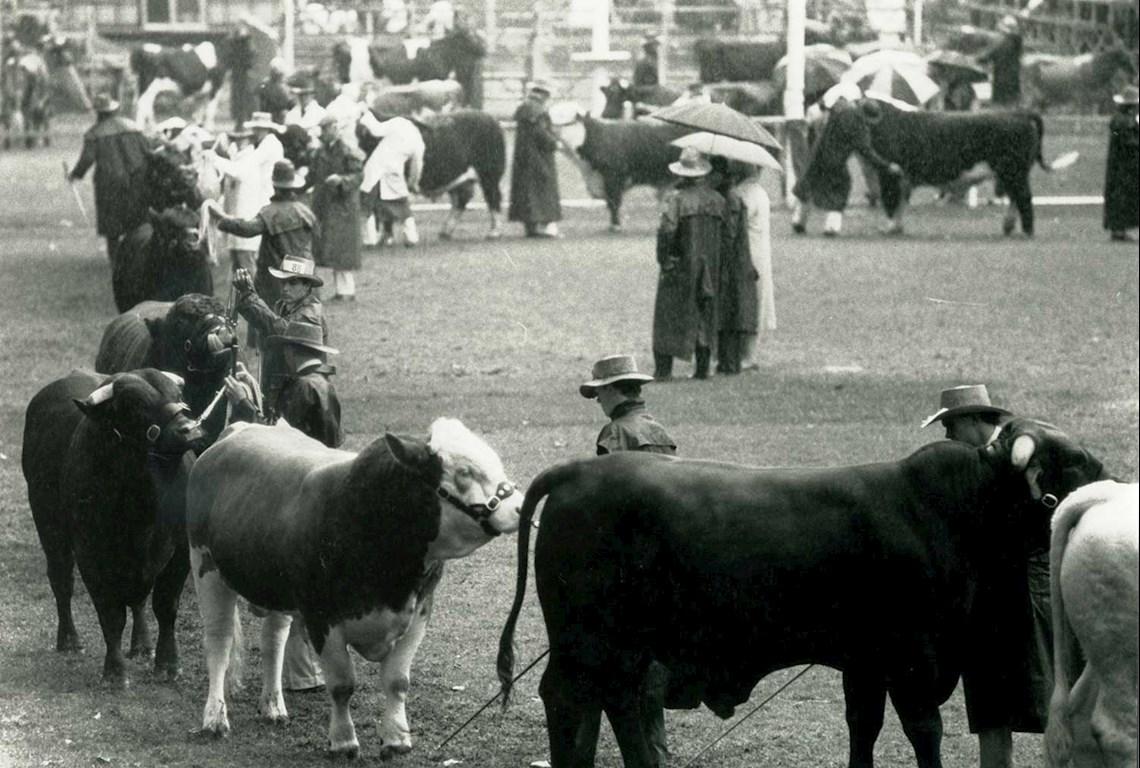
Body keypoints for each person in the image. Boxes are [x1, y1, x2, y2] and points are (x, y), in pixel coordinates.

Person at [921, 384, 1053, 768]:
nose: (947, 437)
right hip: (983, 601)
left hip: (1026, 592)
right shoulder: (971, 462)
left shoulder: (1025, 453)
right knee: (991, 706)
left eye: (951, 426)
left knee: (1047, 691)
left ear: (975, 420)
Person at [223, 319, 343, 693]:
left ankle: (299, 675)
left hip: (296, 485)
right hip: (323, 481)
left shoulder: (301, 389)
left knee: (290, 589)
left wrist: (244, 405)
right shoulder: (324, 387)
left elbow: (279, 439)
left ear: (293, 351)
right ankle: (306, 672)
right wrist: (256, 392)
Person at [577, 353, 675, 765]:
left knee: (596, 673)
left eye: (600, 393)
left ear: (616, 391)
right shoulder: (660, 432)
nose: (598, 400)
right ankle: (658, 756)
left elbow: (605, 509)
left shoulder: (615, 434)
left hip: (622, 571)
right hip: (662, 565)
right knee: (650, 678)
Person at [211, 159, 319, 329]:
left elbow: (247, 229)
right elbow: (316, 238)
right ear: (293, 186)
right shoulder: (305, 211)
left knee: (268, 318)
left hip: (276, 276)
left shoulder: (269, 212)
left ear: (274, 185)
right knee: (304, 317)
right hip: (304, 273)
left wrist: (220, 219)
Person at [653, 147, 730, 381]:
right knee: (705, 313)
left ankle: (664, 369)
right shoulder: (718, 200)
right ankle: (702, 368)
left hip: (682, 264)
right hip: (711, 265)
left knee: (668, 314)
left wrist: (665, 260)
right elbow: (727, 235)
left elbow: (666, 232)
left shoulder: (676, 201)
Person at [230, 253, 329, 419]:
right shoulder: (284, 305)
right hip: (282, 384)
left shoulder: (310, 314)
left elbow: (280, 330)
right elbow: (270, 325)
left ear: (307, 287)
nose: (285, 287)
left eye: (293, 282)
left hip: (303, 392)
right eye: (283, 281)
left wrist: (250, 297)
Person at [792, 87, 902, 236]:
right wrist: (887, 166)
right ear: (867, 116)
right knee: (841, 189)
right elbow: (867, 152)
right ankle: (831, 227)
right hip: (836, 160)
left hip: (818, 153)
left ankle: (799, 220)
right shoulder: (859, 126)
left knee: (808, 187)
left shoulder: (841, 107)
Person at [67, 92, 150, 263]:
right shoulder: (133, 127)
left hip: (108, 183)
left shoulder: (94, 134)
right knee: (136, 219)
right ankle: (139, 256)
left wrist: (75, 174)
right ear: (114, 110)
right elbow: (147, 151)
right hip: (137, 179)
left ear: (99, 113)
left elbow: (87, 159)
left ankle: (116, 261)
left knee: (112, 225)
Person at [310, 114, 363, 301]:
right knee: (334, 250)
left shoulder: (347, 150)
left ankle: (347, 291)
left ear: (334, 128)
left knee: (342, 251)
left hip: (343, 207)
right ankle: (342, 291)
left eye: (325, 129)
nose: (322, 133)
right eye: (322, 129)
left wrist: (342, 180)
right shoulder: (321, 152)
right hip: (328, 206)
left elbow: (358, 176)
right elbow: (312, 176)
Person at [727, 160, 773, 372]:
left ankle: (745, 354)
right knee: (758, 298)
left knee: (744, 300)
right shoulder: (760, 192)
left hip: (746, 252)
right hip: (760, 251)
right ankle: (750, 353)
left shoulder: (740, 194)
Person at [359, 107, 425, 247]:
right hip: (394, 172)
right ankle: (412, 237)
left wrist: (366, 114)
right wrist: (414, 183)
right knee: (401, 205)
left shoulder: (398, 122)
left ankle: (369, 239)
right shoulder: (418, 141)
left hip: (376, 168)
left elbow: (376, 130)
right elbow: (417, 166)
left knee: (367, 205)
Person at [508, 81, 562, 238]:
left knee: (526, 190)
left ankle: (530, 227)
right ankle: (542, 226)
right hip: (539, 157)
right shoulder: (539, 111)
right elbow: (541, 134)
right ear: (544, 94)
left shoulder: (525, 108)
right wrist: (554, 142)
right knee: (541, 189)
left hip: (523, 158)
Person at [1103, 84, 1138, 242]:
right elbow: (1129, 142)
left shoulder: (1119, 119)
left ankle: (1119, 230)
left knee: (1120, 196)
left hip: (1120, 165)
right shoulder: (1123, 121)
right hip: (1123, 166)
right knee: (1122, 197)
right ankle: (1118, 231)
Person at [978, 15, 1023, 107]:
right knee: (1013, 102)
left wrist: (979, 58)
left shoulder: (1002, 42)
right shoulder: (1017, 42)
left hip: (1001, 78)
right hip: (1014, 77)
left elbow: (988, 55)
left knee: (1000, 104)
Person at [257, 58, 295, 125]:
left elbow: (291, 104)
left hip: (282, 118)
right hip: (272, 117)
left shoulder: (286, 85)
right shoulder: (266, 85)